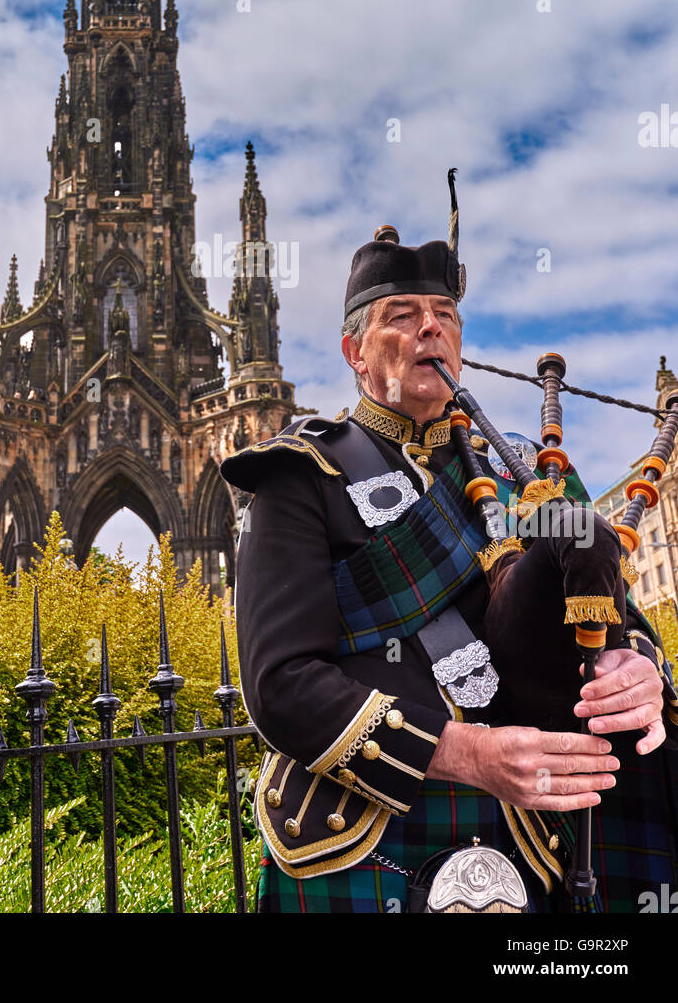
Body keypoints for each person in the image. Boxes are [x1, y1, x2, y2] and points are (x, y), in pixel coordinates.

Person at [220, 178, 678, 913]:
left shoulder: (529, 471)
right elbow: (279, 685)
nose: (430, 328)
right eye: (401, 316)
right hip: (365, 831)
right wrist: (466, 755)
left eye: (444, 315)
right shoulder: (299, 474)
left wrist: (636, 670)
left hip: (536, 827)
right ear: (354, 353)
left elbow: (612, 615)